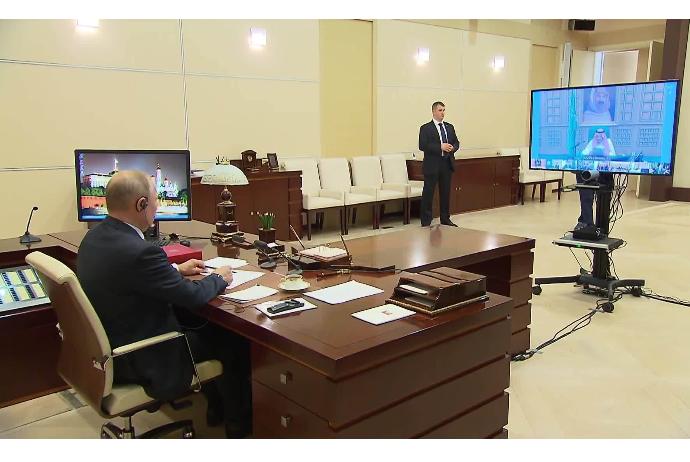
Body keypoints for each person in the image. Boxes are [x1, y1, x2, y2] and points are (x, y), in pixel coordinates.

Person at [77, 170, 251, 437]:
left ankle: (216, 409)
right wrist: (219, 278)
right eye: (155, 199)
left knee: (202, 324)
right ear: (141, 204)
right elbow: (192, 296)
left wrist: (176, 269)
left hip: (107, 352)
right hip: (142, 357)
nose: (157, 206)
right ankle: (238, 427)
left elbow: (127, 275)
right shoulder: (141, 252)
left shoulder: (94, 238)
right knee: (231, 340)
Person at [418, 101, 460, 227]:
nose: (443, 113)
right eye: (440, 110)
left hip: (446, 164)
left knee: (445, 193)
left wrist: (453, 148)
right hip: (432, 165)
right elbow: (423, 145)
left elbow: (456, 142)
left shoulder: (449, 127)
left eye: (444, 110)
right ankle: (426, 220)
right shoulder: (426, 128)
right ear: (434, 112)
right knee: (428, 193)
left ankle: (445, 219)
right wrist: (440, 147)